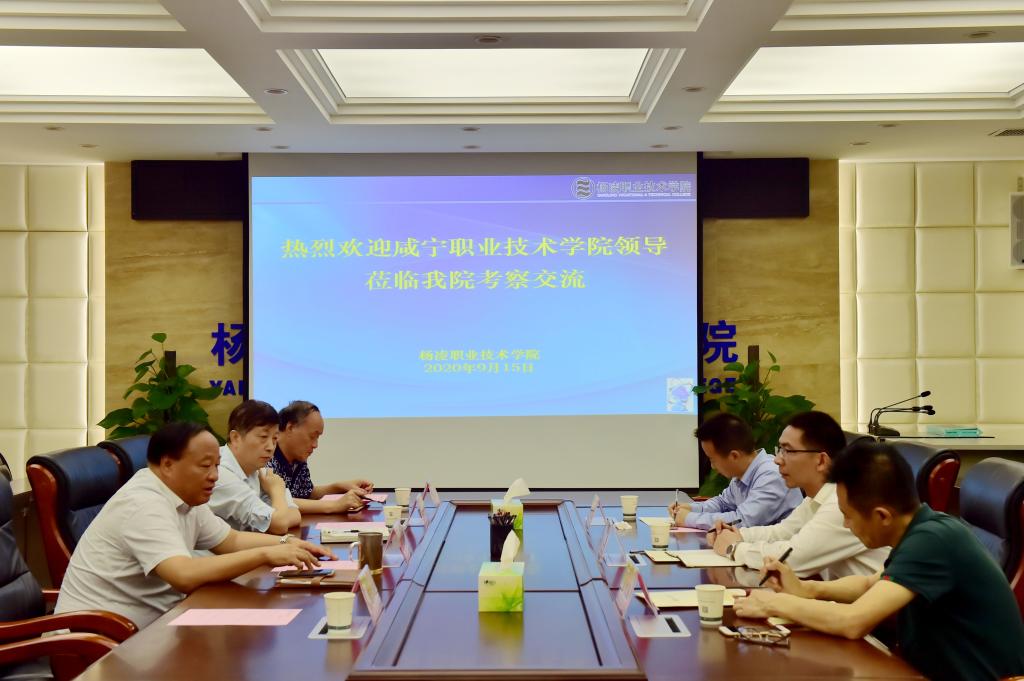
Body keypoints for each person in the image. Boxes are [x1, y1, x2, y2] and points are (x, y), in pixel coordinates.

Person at [734, 442, 1024, 681]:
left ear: (882, 516)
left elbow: (852, 621)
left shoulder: (932, 540)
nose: (846, 525)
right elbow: (868, 584)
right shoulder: (922, 529)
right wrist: (807, 589)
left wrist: (773, 603)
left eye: (848, 516)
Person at [55, 422, 333, 629]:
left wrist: (288, 543)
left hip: (153, 629)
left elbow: (230, 541)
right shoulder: (143, 502)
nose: (214, 476)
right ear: (167, 465)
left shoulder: (187, 495)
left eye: (217, 466)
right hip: (98, 643)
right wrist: (265, 554)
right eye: (204, 466)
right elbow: (183, 574)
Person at [707, 411, 888, 579]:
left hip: (871, 602)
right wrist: (736, 534)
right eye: (779, 450)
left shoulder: (841, 505)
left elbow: (793, 559)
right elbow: (781, 532)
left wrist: (733, 548)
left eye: (788, 451)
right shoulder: (814, 498)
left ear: (821, 460)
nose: (777, 460)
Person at [669, 412, 801, 530]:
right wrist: (692, 508)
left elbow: (742, 521)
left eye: (712, 459)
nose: (712, 466)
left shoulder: (771, 475)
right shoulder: (743, 472)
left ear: (734, 456)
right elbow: (723, 503)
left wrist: (688, 518)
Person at [208, 400, 300, 533]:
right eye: (263, 437)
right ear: (235, 438)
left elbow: (294, 515)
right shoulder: (219, 474)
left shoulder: (256, 468)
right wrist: (277, 490)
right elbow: (280, 523)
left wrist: (279, 515)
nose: (270, 447)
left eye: (274, 439)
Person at [269, 400, 372, 514]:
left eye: (317, 438)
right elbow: (274, 502)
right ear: (290, 428)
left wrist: (338, 487)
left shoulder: (297, 458)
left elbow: (306, 494)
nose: (315, 445)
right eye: (312, 436)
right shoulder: (266, 456)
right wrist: (334, 506)